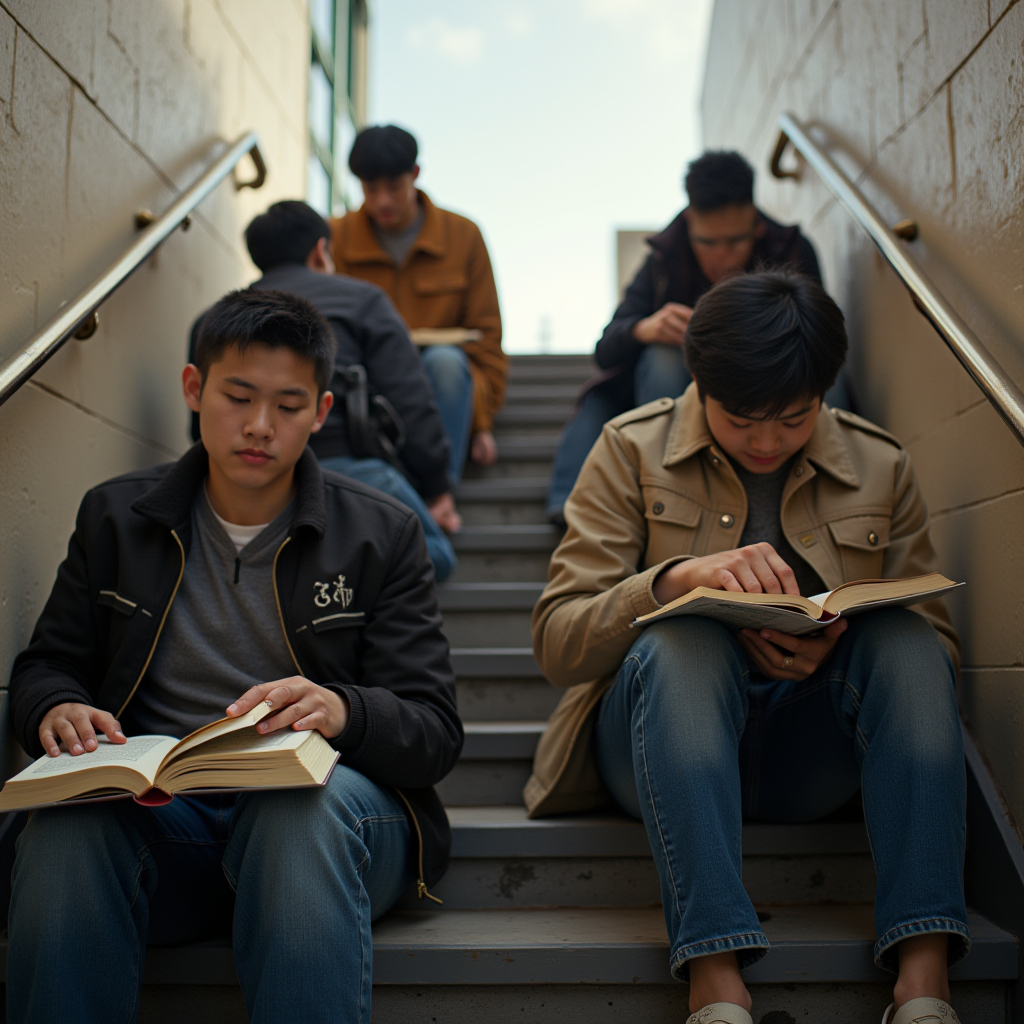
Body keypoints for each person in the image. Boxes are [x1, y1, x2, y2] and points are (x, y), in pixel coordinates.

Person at [8, 289, 463, 1024]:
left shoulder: (381, 532)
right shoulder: (117, 517)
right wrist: (53, 708)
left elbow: (435, 730)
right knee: (67, 821)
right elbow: (47, 663)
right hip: (167, 824)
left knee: (295, 815)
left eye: (288, 406)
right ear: (195, 389)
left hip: (325, 828)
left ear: (320, 413)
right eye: (238, 396)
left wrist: (342, 710)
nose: (259, 427)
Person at [527, 272, 966, 1024]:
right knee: (685, 644)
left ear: (826, 392)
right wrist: (670, 584)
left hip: (811, 750)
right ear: (698, 381)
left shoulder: (881, 462)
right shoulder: (629, 449)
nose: (766, 441)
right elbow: (558, 643)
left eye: (794, 419)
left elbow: (942, 657)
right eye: (741, 420)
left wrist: (838, 648)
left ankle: (924, 979)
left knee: (908, 637)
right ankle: (714, 974)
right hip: (658, 745)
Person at [546, 149, 850, 524]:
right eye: (707, 242)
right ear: (689, 221)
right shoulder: (663, 256)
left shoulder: (791, 249)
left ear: (755, 222)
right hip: (678, 394)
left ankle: (835, 493)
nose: (722, 256)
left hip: (768, 383)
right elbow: (606, 349)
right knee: (661, 357)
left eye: (735, 241)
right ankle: (663, 486)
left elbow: (818, 338)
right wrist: (646, 327)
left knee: (823, 370)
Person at [190, 200, 461, 581]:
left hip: (244, 490)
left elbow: (198, 427)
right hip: (351, 470)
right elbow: (410, 399)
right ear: (320, 250)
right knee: (433, 556)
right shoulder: (363, 301)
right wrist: (437, 489)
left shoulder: (212, 320)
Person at [328, 124, 507, 484]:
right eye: (369, 189)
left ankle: (440, 493)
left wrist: (481, 423)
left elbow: (487, 338)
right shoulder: (336, 237)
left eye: (393, 187)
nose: (382, 202)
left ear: (415, 175)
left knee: (445, 362)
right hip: (368, 378)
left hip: (443, 377)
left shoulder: (464, 235)